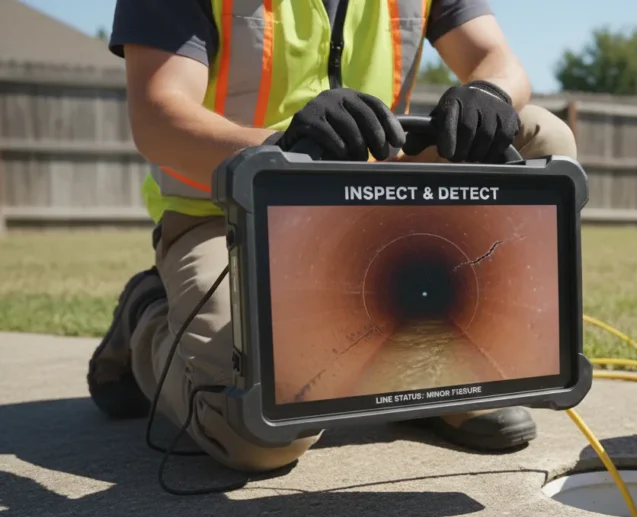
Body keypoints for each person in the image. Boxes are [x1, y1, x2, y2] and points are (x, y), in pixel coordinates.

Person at [88, 0, 578, 474]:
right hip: (229, 215)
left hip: (377, 200)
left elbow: (497, 59)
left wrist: (489, 92)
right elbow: (158, 115)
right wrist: (281, 150)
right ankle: (148, 315)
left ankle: (442, 379)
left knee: (541, 137)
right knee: (257, 431)